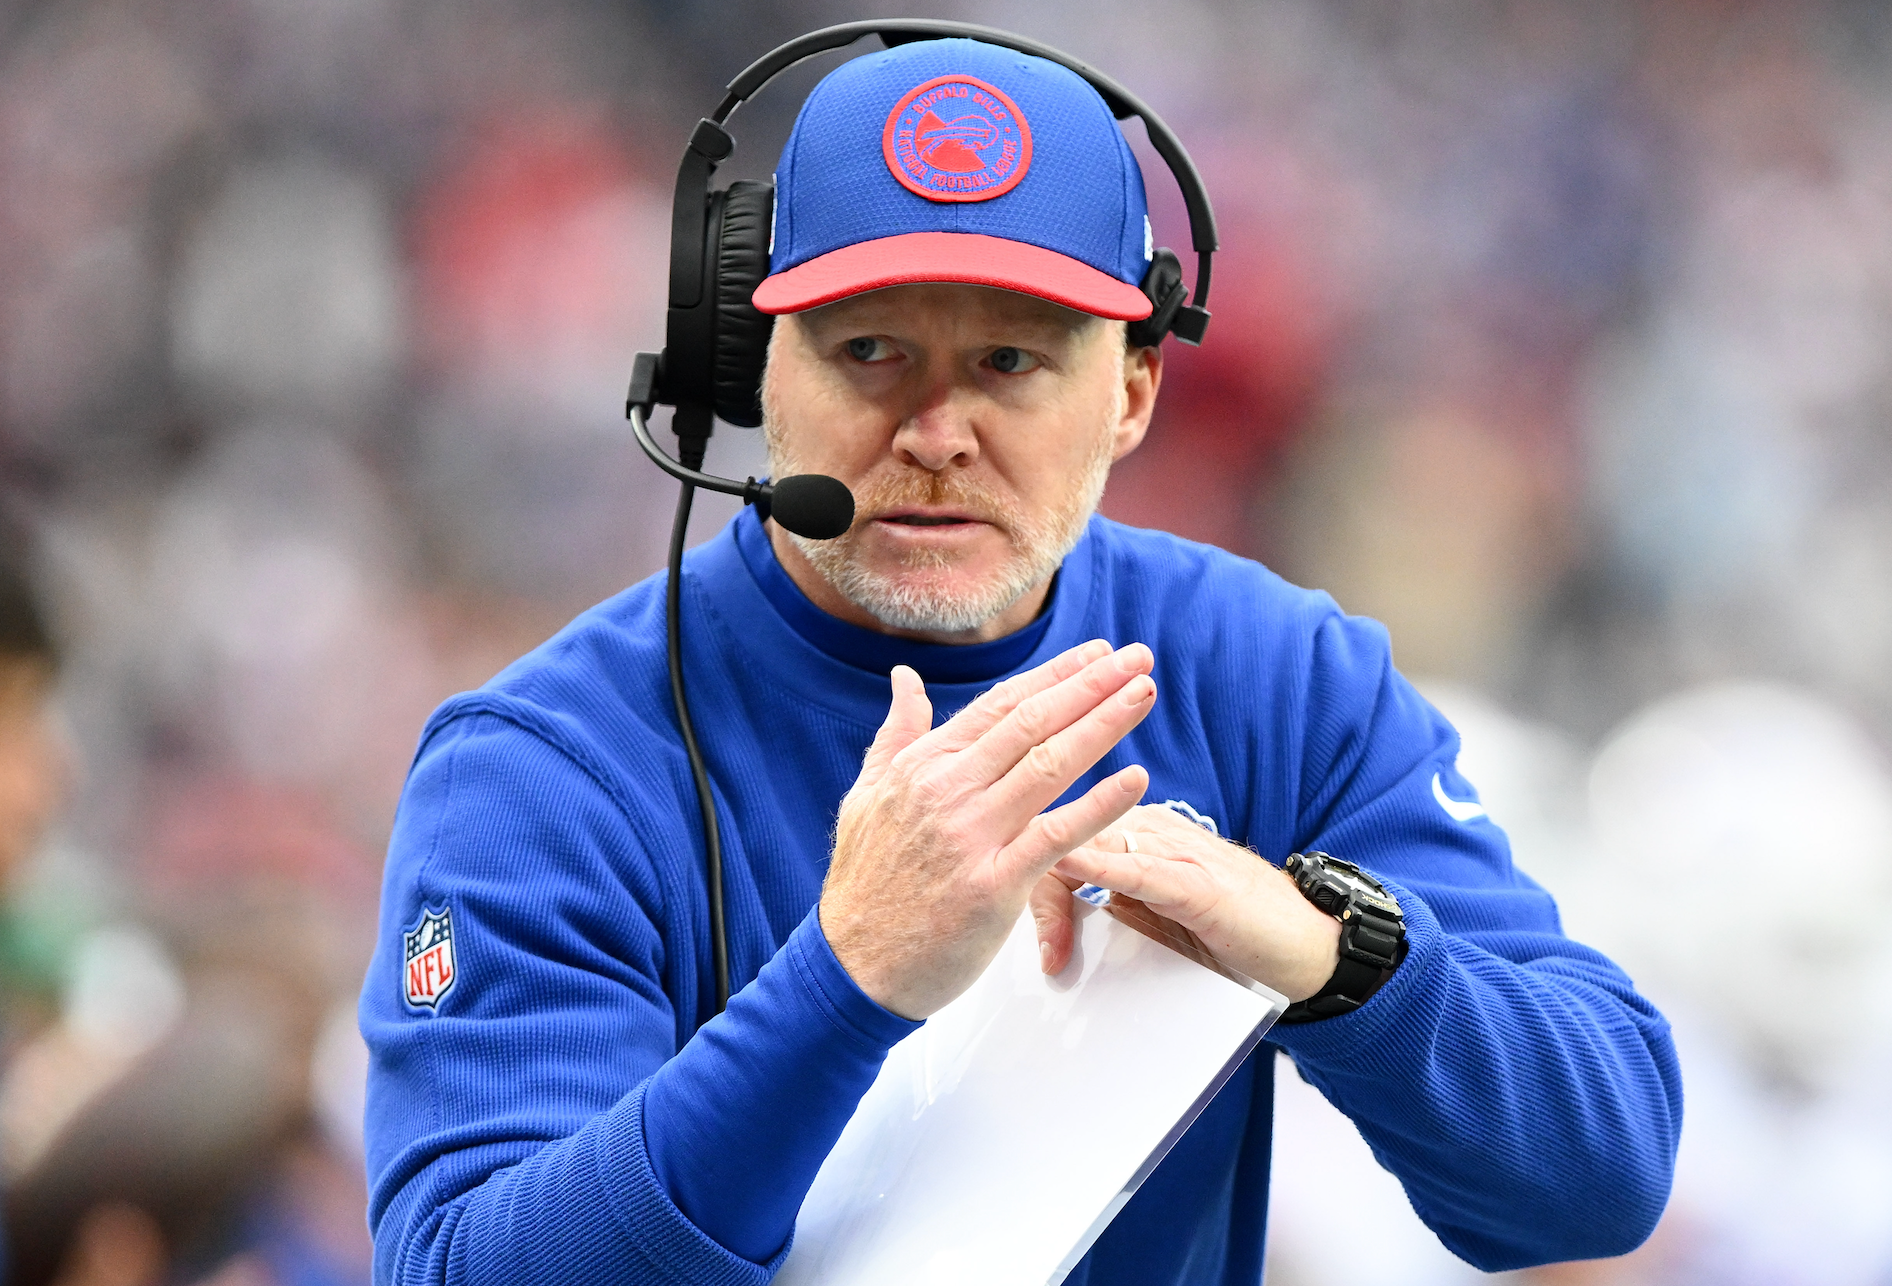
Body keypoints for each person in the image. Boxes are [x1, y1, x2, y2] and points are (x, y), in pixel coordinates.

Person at [360, 35, 1681, 1286]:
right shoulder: (549, 765)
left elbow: (1599, 1178)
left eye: (1010, 360)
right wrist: (844, 980)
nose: (938, 432)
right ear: (759, 366)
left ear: (1132, 392)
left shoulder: (1278, 676)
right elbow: (465, 1262)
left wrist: (1336, 960)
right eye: (871, 351)